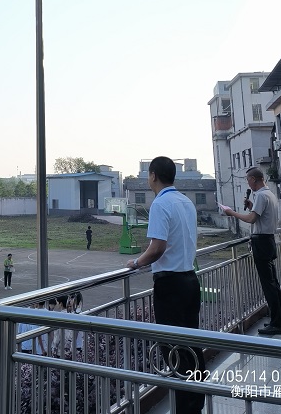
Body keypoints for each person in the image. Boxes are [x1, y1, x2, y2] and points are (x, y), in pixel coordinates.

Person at [125, 155, 205, 414]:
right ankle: (195, 404)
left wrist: (137, 262)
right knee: (191, 345)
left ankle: (184, 408)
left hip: (171, 285)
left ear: (153, 176)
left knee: (174, 350)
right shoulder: (185, 201)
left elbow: (157, 247)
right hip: (190, 280)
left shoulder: (160, 203)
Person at [222, 167, 281, 336]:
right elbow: (261, 215)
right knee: (273, 283)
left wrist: (232, 213)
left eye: (248, 180)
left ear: (253, 179)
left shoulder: (260, 195)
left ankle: (276, 324)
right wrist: (252, 206)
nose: (248, 183)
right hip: (269, 240)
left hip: (261, 242)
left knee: (268, 285)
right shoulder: (269, 194)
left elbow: (252, 219)